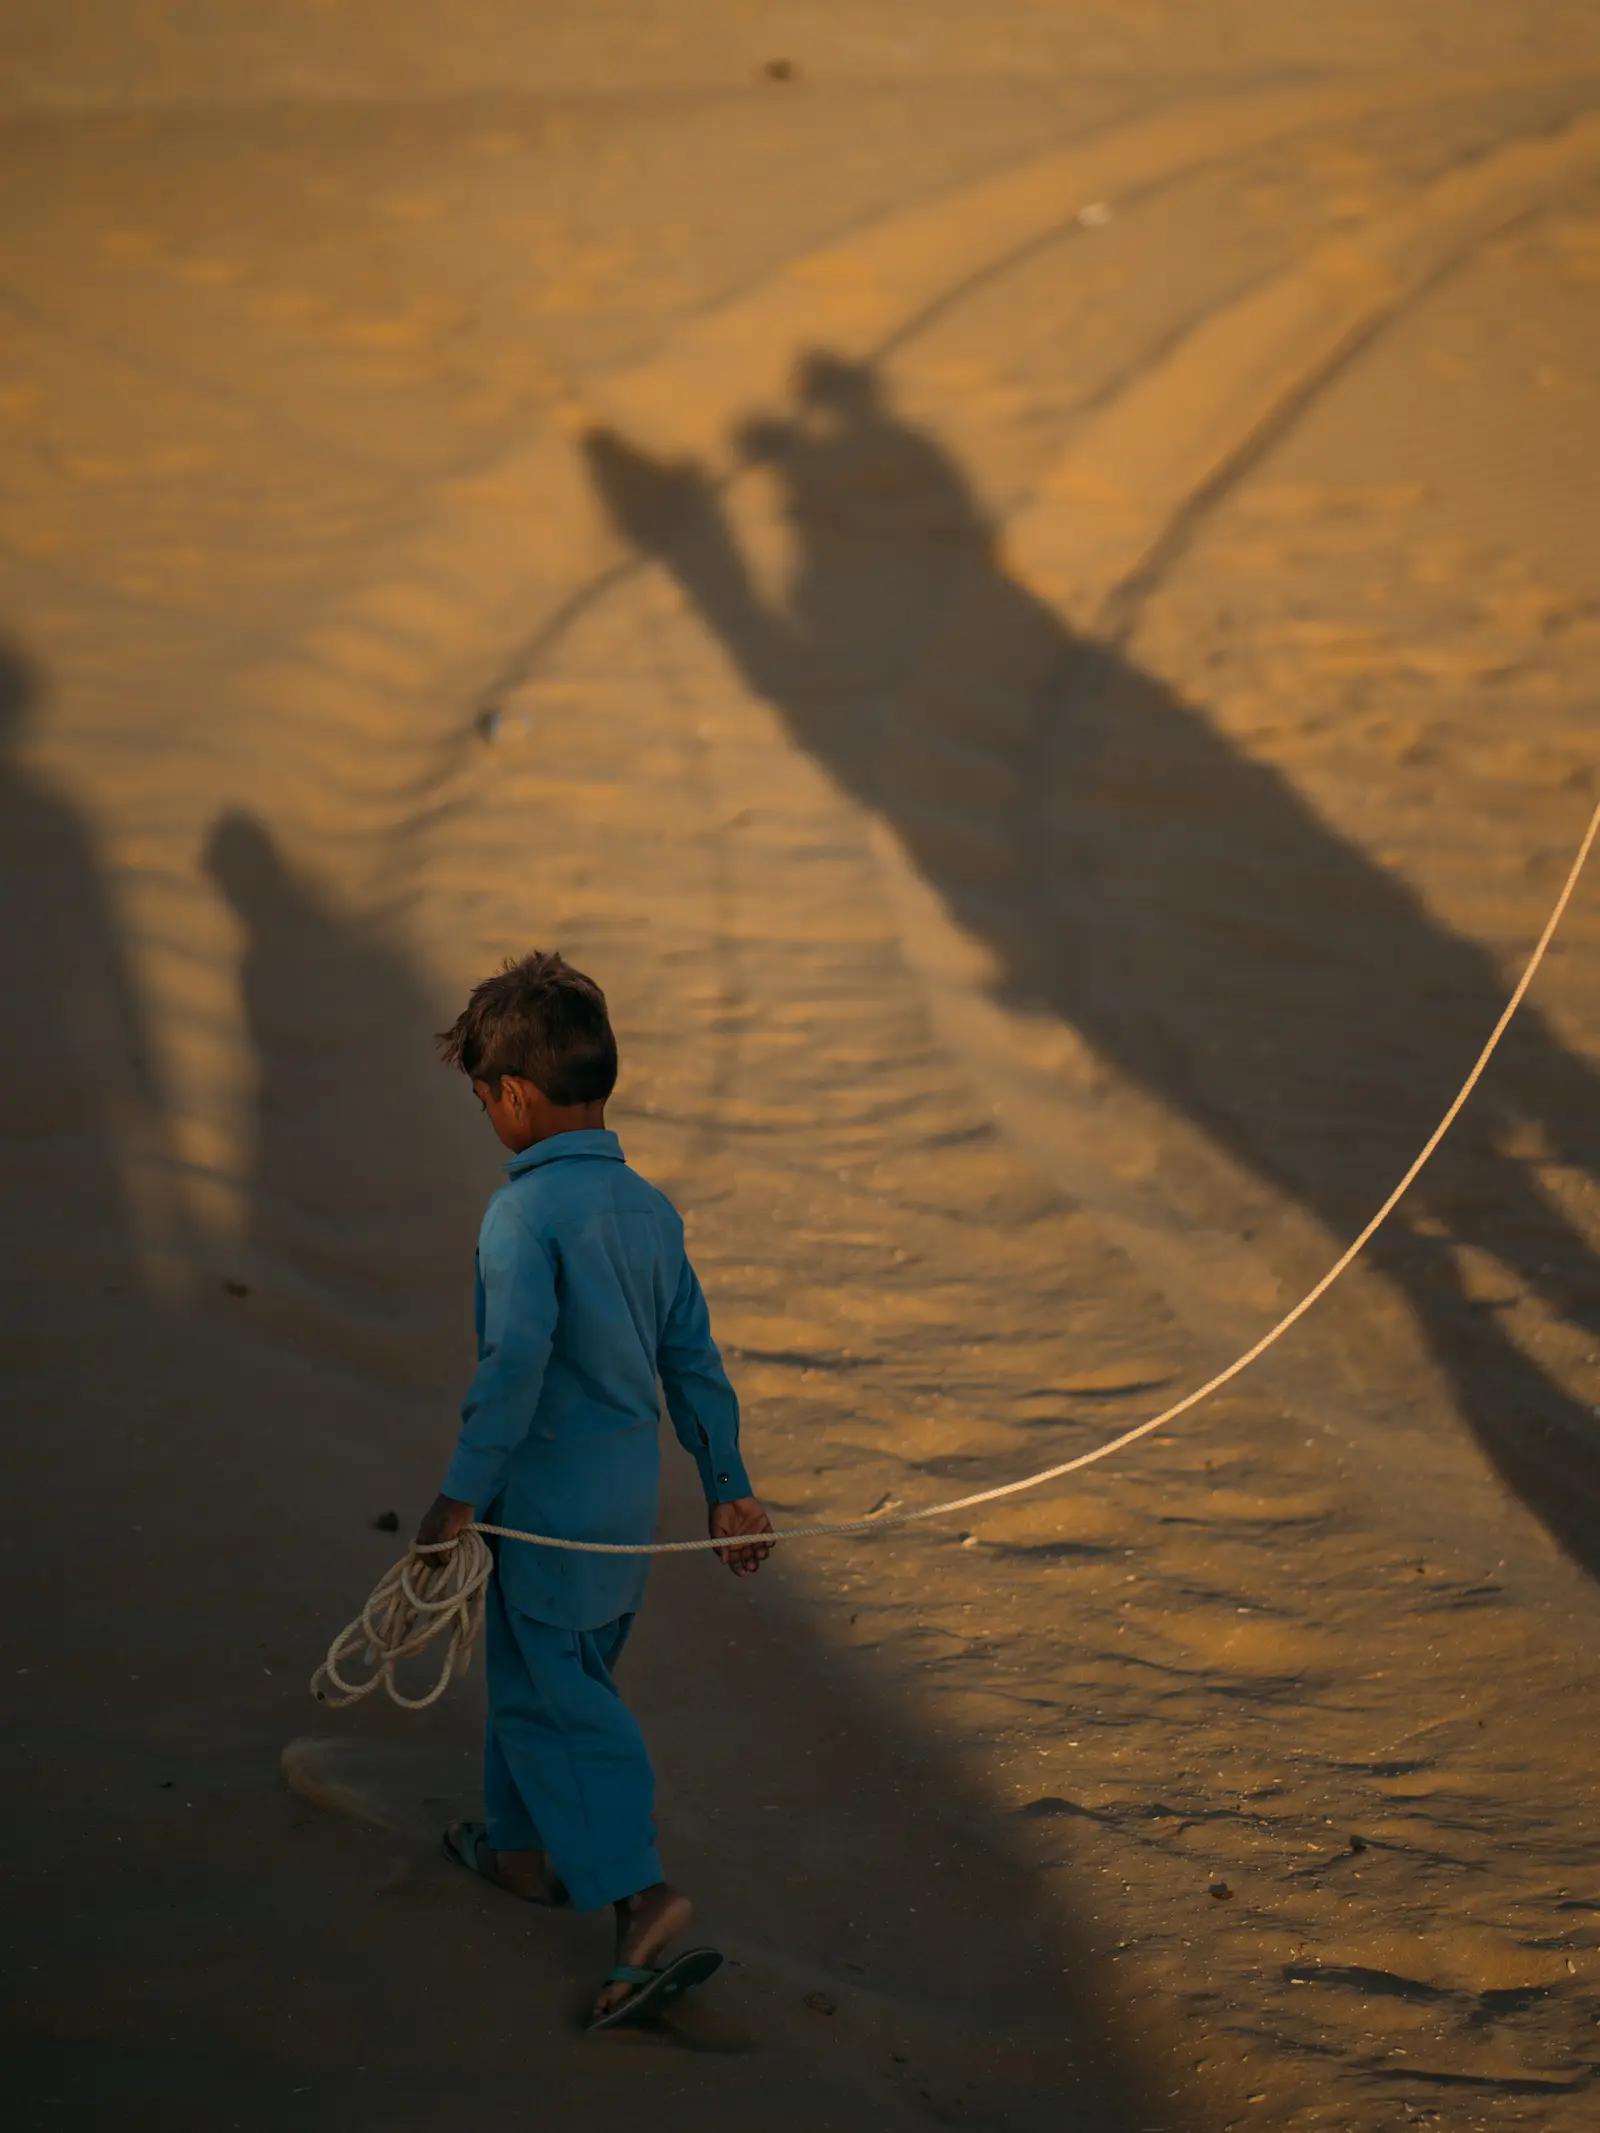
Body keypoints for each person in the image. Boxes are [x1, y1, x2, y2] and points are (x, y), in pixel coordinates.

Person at [414, 950, 773, 2030]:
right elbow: (693, 1361)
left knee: (553, 1700)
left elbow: (511, 1368)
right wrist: (727, 1488)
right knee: (550, 1675)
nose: (487, 1116)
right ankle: (517, 1851)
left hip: (552, 1516)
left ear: (513, 1096)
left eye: (483, 1099)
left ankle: (639, 1899)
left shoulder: (520, 1219)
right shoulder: (648, 1210)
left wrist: (456, 1496)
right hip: (629, 1518)